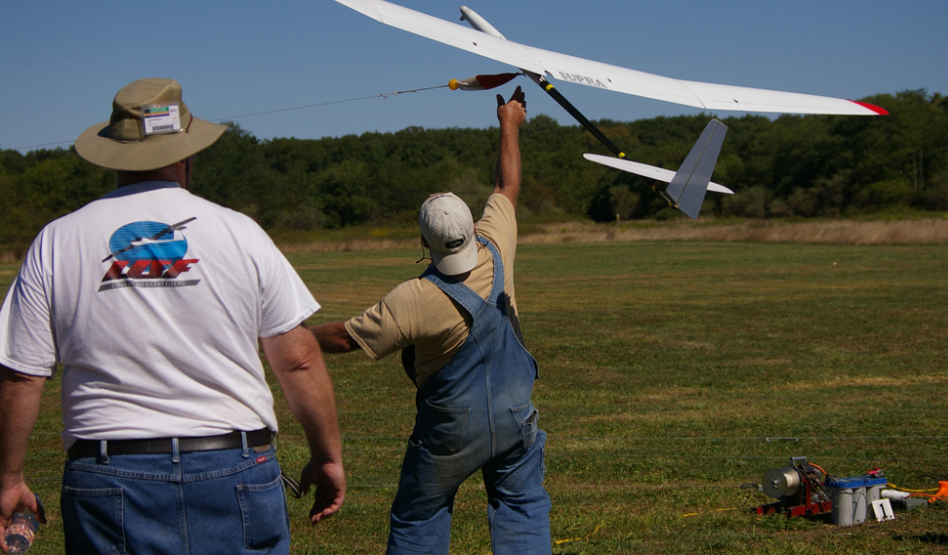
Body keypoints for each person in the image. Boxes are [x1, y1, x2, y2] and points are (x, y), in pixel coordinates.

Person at [0, 78, 345, 555]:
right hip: (234, 464)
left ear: (112, 152)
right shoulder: (241, 231)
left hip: (107, 472)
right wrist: (327, 458)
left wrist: (9, 479)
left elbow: (21, 375)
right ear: (186, 153)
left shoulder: (57, 240)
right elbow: (299, 359)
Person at [310, 85, 550, 555]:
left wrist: (291, 336)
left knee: (419, 516)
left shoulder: (414, 298)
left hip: (448, 431)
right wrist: (509, 124)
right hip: (515, 414)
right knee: (522, 509)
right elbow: (506, 186)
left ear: (424, 244)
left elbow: (345, 338)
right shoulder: (496, 244)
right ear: (470, 229)